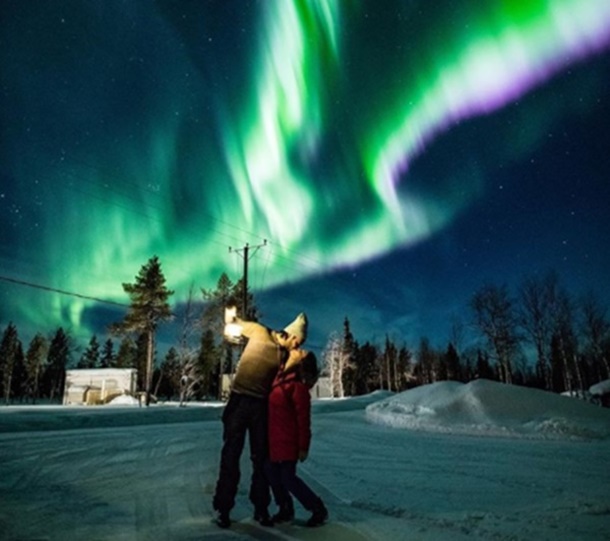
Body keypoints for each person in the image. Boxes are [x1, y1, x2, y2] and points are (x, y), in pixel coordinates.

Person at [212, 307, 308, 529]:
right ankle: (223, 509)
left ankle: (261, 509)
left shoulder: (286, 355)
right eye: (298, 341)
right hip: (239, 402)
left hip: (261, 407)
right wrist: (231, 316)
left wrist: (297, 359)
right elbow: (235, 324)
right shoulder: (259, 332)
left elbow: (299, 376)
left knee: (262, 460)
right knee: (230, 456)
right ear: (292, 335)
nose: (298, 346)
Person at [265, 349, 329, 527]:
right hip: (274, 441)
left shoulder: (297, 389)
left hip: (288, 443)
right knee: (271, 473)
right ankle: (285, 508)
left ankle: (317, 508)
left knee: (287, 478)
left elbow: (303, 421)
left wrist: (303, 447)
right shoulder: (278, 382)